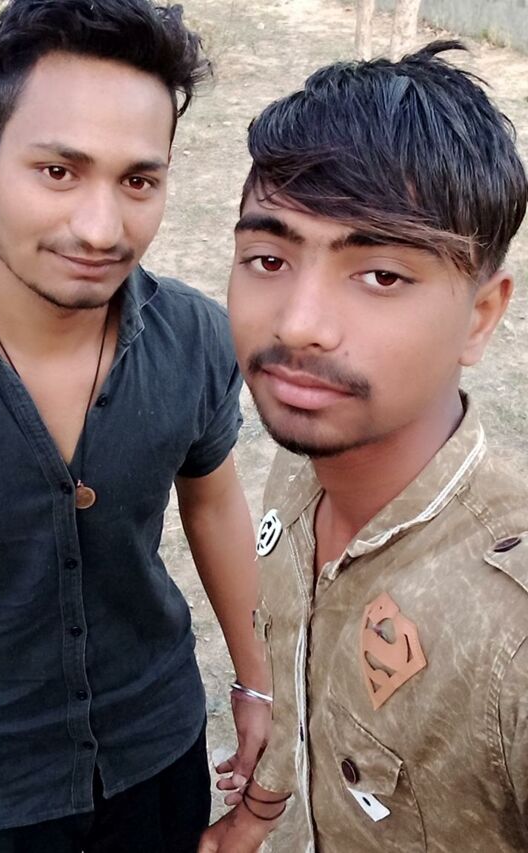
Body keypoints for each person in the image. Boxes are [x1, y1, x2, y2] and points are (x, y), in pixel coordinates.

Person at [0, 1, 271, 850]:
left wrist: (257, 682)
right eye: (59, 170)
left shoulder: (195, 337)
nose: (101, 229)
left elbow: (212, 501)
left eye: (138, 181)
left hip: (158, 757)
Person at [201, 40, 528, 853]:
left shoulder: (511, 634)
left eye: (380, 274)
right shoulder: (300, 473)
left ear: (482, 316)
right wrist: (260, 810)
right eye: (268, 258)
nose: (299, 323)